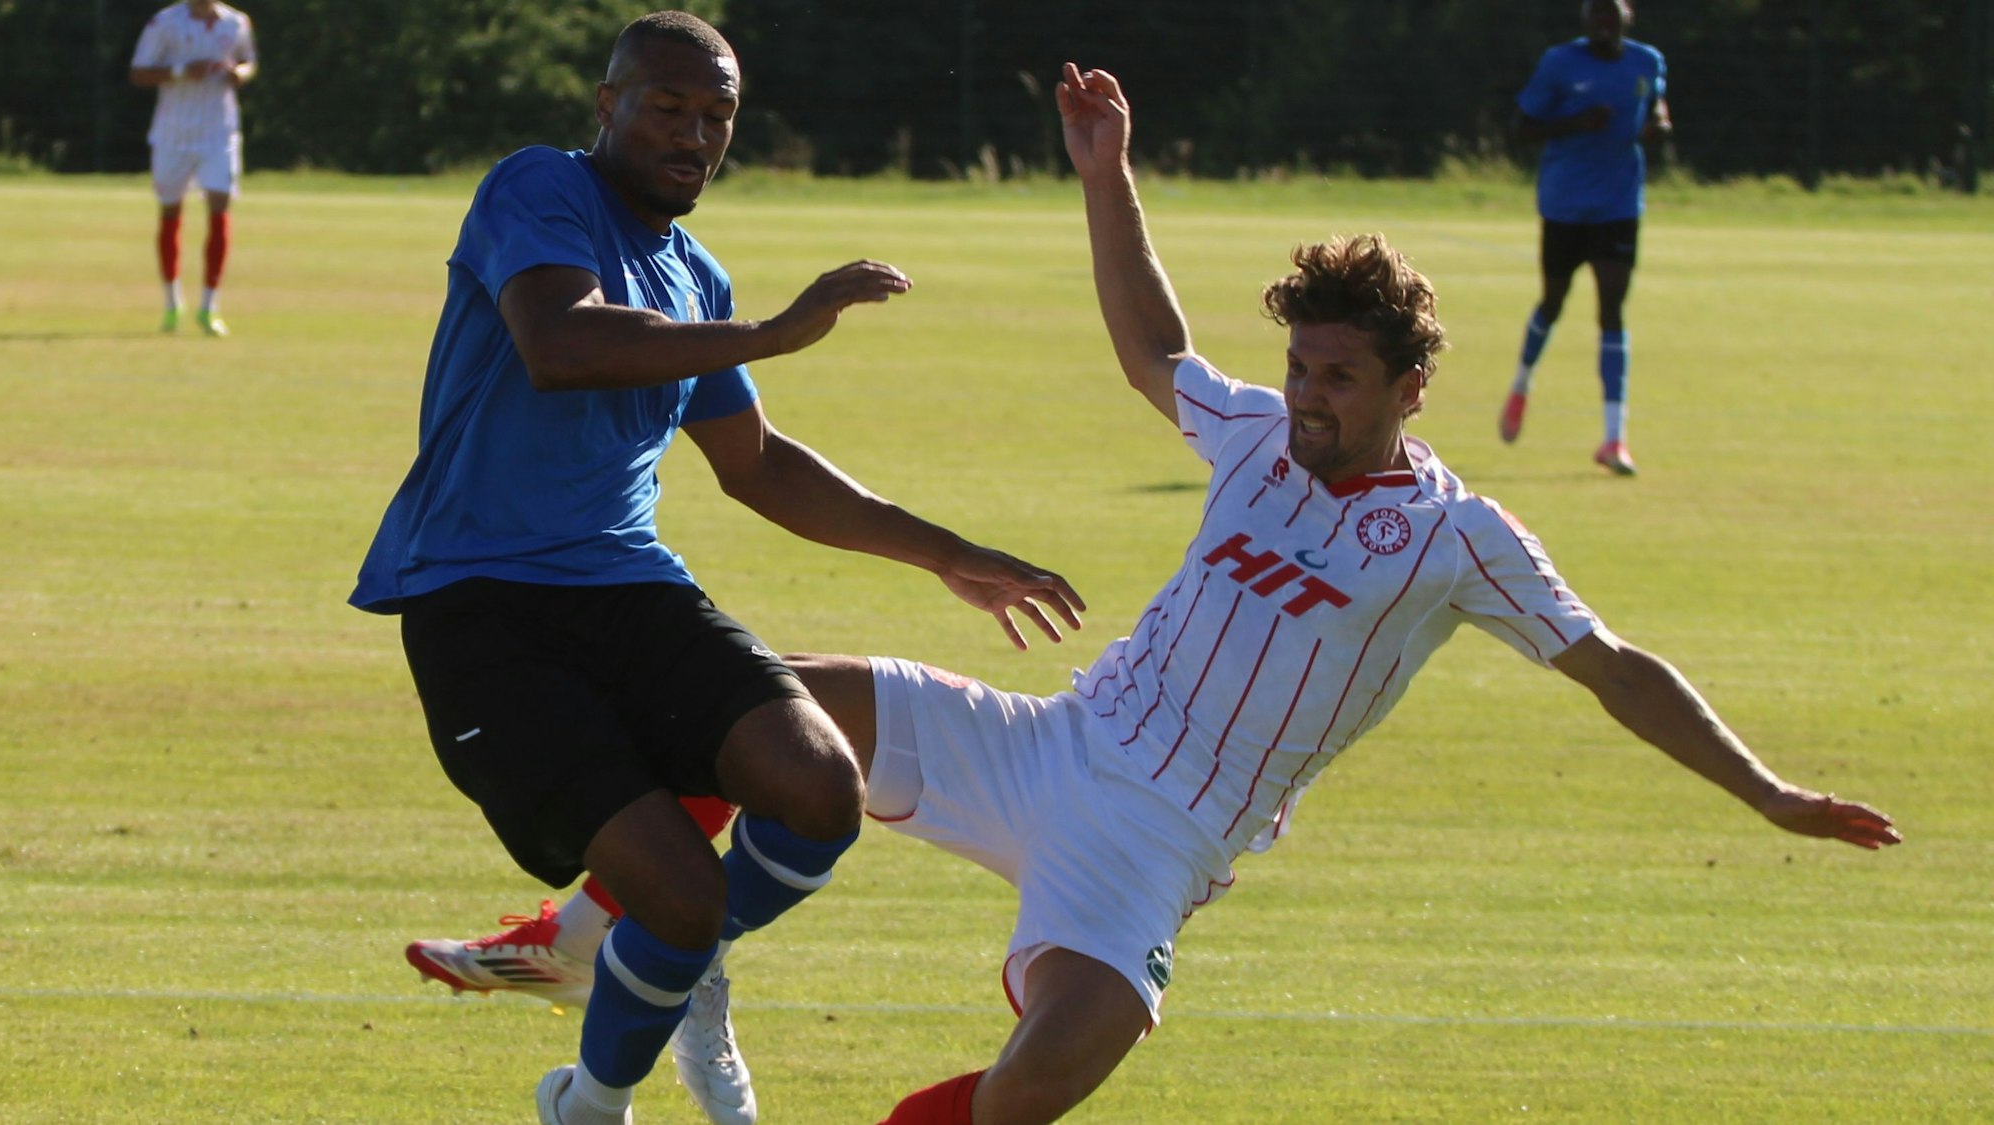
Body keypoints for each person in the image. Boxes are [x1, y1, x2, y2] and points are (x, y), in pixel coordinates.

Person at [412, 61, 1900, 1125]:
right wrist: (1105, 173)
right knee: (770, 715)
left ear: (1406, 387)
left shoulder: (1463, 537)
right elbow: (1153, 349)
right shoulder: (1253, 431)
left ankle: (678, 961)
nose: (1306, 399)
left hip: (1161, 843)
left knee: (1040, 1086)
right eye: (1301, 368)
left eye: (1337, 379)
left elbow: (1616, 664)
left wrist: (1766, 793)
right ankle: (612, 942)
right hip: (1047, 740)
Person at [349, 13, 1082, 1125]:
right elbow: (564, 343)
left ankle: (648, 967)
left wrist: (946, 555)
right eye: (668, 107)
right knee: (681, 896)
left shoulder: (694, 270)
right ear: (607, 106)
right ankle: (595, 1097)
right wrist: (772, 334)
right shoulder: (538, 189)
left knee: (816, 786)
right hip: (480, 607)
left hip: (630, 589)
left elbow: (758, 467)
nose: (694, 134)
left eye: (717, 116)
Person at [1500, 0, 1671, 474]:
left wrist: (1658, 121)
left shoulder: (1647, 60)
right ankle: (1521, 384)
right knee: (1553, 302)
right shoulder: (1560, 63)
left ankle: (1614, 440)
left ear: (1626, 18)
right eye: (1595, 15)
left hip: (1619, 206)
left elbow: (1654, 98)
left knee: (1612, 310)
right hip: (1565, 206)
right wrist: (1575, 123)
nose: (1603, 24)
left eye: (1611, 16)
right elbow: (1522, 127)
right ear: (1584, 21)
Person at [128, 0, 257, 337]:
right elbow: (139, 72)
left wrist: (239, 73)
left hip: (219, 133)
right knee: (171, 211)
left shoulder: (236, 22)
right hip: (173, 133)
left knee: (220, 204)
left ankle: (209, 307)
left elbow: (248, 61)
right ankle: (173, 304)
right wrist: (181, 70)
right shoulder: (165, 23)